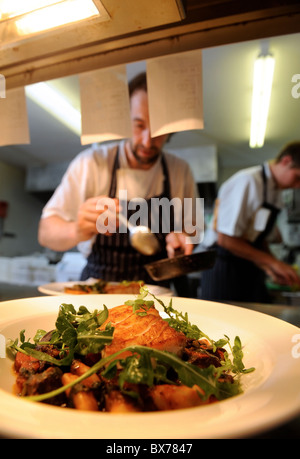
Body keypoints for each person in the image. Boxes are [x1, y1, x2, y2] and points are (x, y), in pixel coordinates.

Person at [38, 72, 202, 287]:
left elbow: (191, 232)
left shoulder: (179, 171)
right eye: (139, 125)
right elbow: (46, 232)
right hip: (98, 290)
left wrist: (180, 242)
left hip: (155, 294)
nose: (147, 141)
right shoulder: (92, 163)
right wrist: (76, 230)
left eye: (159, 131)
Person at [201, 141, 300, 303]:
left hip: (247, 267)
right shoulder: (248, 181)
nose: (297, 186)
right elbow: (225, 239)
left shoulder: (275, 191)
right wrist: (272, 262)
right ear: (286, 161)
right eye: (297, 178)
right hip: (223, 265)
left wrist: (271, 268)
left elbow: (258, 240)